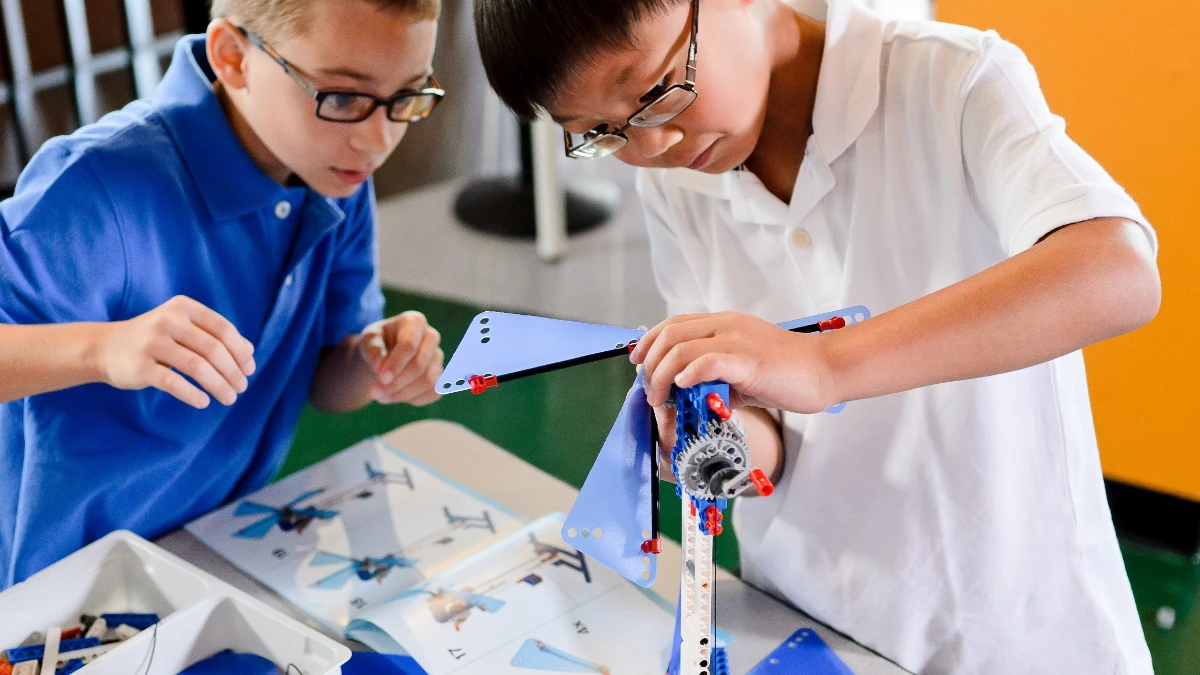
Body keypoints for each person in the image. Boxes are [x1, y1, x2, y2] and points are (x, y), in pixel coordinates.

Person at [473, 0, 1161, 672]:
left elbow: (1118, 271)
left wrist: (824, 363)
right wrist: (721, 438)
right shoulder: (678, 185)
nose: (652, 146)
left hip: (1012, 632)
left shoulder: (952, 84)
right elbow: (768, 431)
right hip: (806, 626)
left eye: (655, 93)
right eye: (603, 131)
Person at [0, 0, 447, 587]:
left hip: (216, 551)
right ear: (233, 57)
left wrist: (373, 363)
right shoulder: (91, 186)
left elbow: (325, 383)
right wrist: (102, 348)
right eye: (342, 98)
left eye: (406, 98)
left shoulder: (334, 175)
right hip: (56, 585)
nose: (377, 140)